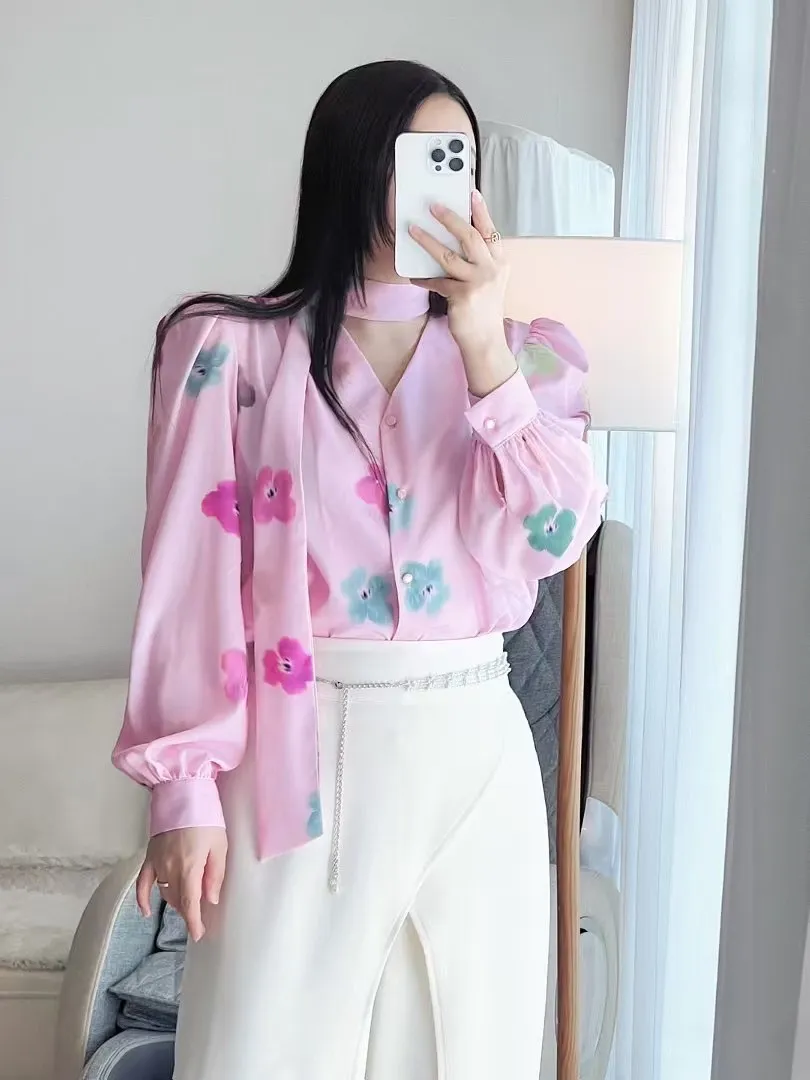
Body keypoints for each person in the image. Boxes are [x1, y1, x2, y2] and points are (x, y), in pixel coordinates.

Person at [112, 58, 605, 1080]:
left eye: (454, 158)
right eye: (411, 157)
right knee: (263, 1047)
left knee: (466, 1047)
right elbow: (188, 587)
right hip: (296, 753)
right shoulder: (227, 348)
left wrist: (483, 344)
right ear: (349, 167)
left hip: (476, 752)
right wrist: (182, 795)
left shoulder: (530, 360)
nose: (435, 184)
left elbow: (553, 536)